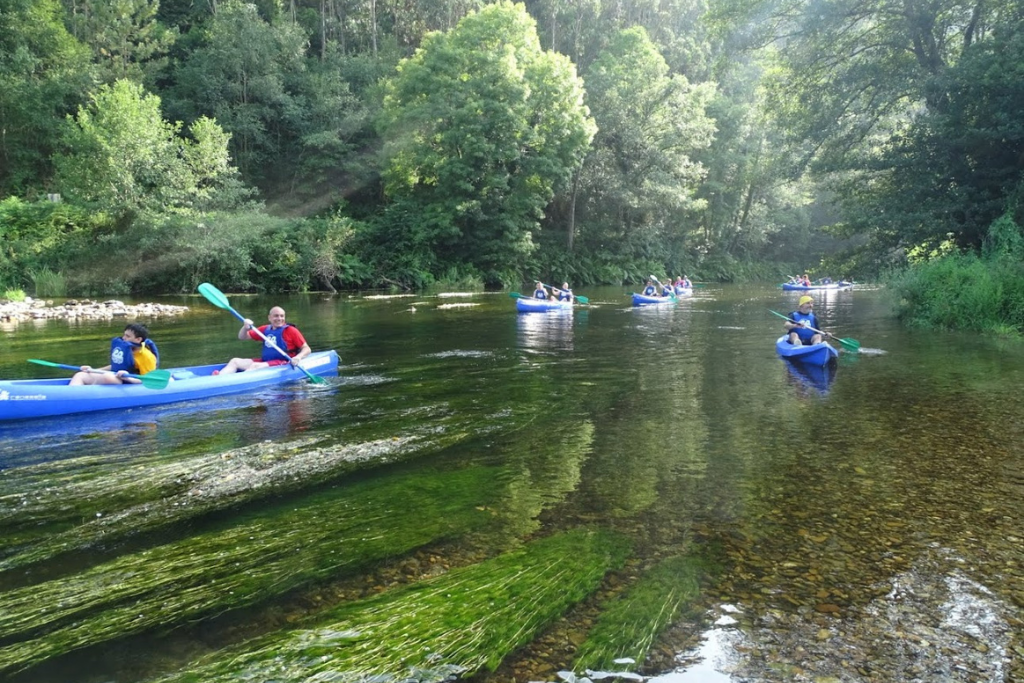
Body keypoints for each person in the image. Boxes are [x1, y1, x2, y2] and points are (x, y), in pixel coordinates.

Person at [217, 306, 312, 374]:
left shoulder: (291, 330)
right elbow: (242, 337)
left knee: (255, 366)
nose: (279, 318)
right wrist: (245, 327)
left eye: (282, 316)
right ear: (269, 318)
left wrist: (298, 357)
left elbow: (307, 349)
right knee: (235, 361)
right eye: (276, 316)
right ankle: (218, 379)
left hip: (283, 362)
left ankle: (234, 382)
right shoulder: (265, 329)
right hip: (266, 361)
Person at [70, 323, 159, 385]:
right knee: (80, 375)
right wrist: (92, 369)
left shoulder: (147, 357)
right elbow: (115, 366)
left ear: (138, 340)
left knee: (108, 377)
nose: (123, 338)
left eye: (128, 336)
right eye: (124, 335)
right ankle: (71, 396)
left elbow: (148, 380)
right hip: (116, 377)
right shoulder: (127, 350)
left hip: (130, 382)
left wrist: (127, 378)